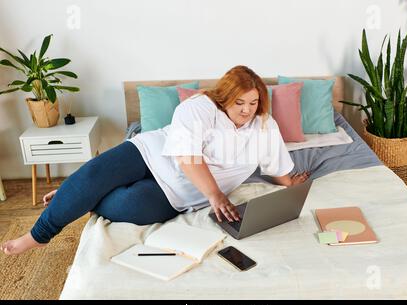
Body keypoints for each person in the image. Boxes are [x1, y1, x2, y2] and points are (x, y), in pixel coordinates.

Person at [1, 65, 310, 255]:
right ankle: (38, 235)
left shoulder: (265, 125)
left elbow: (275, 164)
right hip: (150, 153)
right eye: (239, 101)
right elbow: (188, 157)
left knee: (123, 204)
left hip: (175, 193)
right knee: (93, 176)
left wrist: (287, 182)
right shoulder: (201, 107)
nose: (247, 109)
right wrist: (216, 195)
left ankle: (77, 195)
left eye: (253, 102)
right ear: (225, 97)